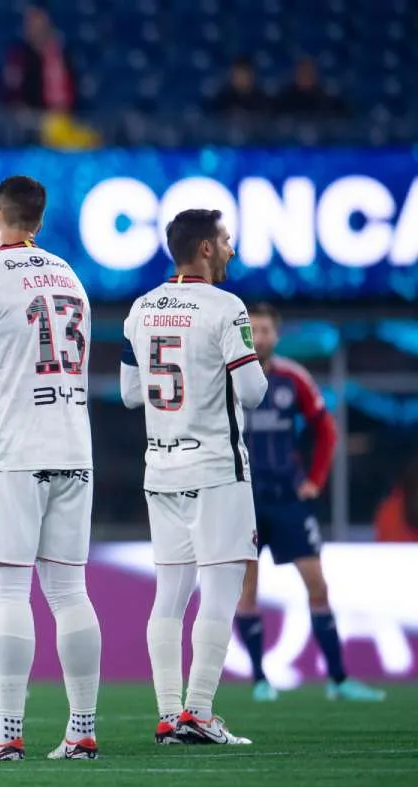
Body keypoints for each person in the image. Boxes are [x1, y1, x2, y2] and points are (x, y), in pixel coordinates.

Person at [0, 176, 102, 763]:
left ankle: (7, 733)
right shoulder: (71, 277)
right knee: (68, 590)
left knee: (8, 587)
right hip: (73, 447)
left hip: (11, 450)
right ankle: (82, 730)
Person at [120, 208, 267, 747]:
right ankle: (199, 712)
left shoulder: (140, 309)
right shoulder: (226, 307)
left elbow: (133, 393)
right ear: (204, 248)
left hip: (160, 467)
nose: (231, 248)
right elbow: (253, 392)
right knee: (221, 592)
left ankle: (168, 715)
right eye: (225, 240)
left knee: (169, 598)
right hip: (216, 469)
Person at [236, 304, 385, 702]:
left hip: (288, 500)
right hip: (242, 500)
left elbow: (326, 428)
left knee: (317, 586)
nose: (259, 337)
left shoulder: (292, 379)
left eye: (265, 330)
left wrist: (315, 481)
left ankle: (338, 680)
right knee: (246, 591)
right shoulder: (228, 378)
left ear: (276, 335)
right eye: (252, 330)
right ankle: (259, 681)